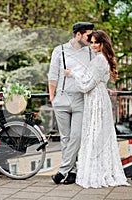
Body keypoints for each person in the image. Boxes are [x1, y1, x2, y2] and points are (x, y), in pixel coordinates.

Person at [64, 30, 129, 188]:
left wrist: (72, 73)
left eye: (96, 42)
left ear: (102, 44)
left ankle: (95, 174)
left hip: (95, 100)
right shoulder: (104, 58)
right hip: (101, 97)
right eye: (91, 42)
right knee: (100, 134)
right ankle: (102, 170)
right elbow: (97, 80)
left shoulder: (99, 60)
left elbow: (87, 84)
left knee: (94, 133)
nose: (93, 45)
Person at [48, 22, 94, 184]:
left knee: (77, 136)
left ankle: (62, 170)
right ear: (79, 34)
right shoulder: (59, 50)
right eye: (89, 35)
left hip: (81, 99)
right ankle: (72, 172)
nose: (91, 38)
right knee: (65, 138)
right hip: (61, 98)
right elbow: (53, 74)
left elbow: (96, 73)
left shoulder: (90, 52)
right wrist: (52, 97)